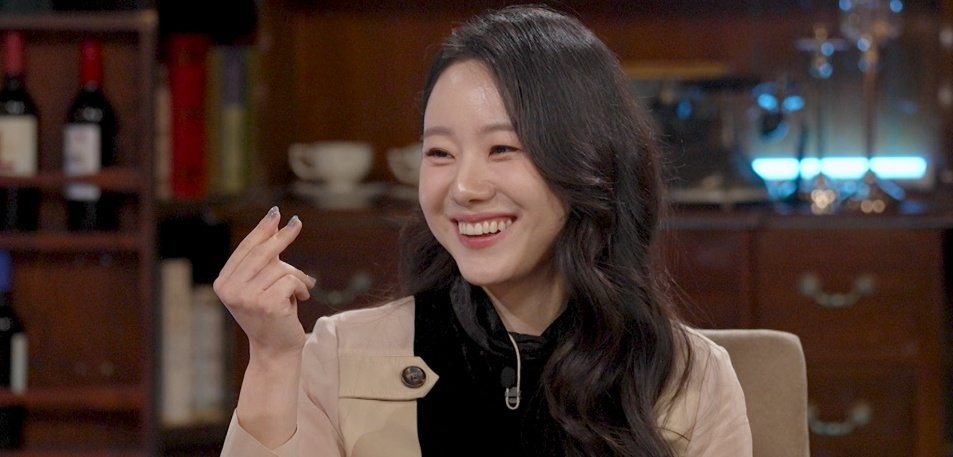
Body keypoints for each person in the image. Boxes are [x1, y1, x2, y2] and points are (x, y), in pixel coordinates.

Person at [215, 5, 751, 457]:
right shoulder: (341, 353)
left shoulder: (691, 379)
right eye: (440, 153)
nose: (464, 188)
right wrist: (272, 360)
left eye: (502, 148)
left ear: (589, 164)